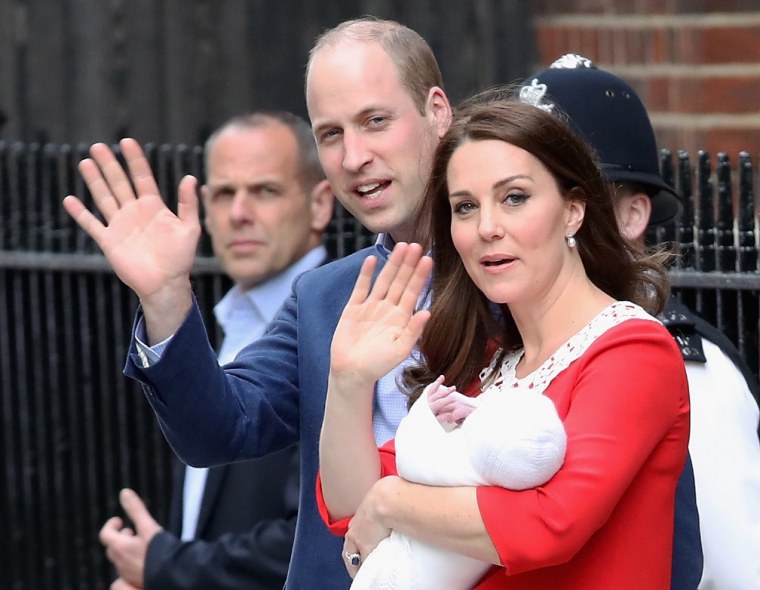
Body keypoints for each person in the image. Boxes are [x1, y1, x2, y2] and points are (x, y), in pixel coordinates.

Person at [62, 16, 453, 590]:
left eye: (375, 121)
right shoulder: (323, 298)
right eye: (330, 134)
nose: (353, 157)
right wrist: (166, 295)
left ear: (437, 111)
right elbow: (218, 430)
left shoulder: (510, 273)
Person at [317, 96, 690, 589]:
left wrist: (390, 503)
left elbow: (549, 526)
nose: (487, 228)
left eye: (514, 197)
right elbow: (349, 506)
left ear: (573, 210)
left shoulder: (633, 351)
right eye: (465, 207)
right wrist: (348, 381)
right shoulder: (489, 367)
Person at [525, 56, 760, 590]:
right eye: (519, 192)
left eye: (569, 195)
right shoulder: (508, 345)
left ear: (633, 215)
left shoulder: (690, 370)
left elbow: (734, 571)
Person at [97, 112, 334, 590]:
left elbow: (324, 534)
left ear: (320, 204)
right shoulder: (224, 321)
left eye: (265, 190)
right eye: (225, 193)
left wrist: (166, 569)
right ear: (204, 205)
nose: (239, 213)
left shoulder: (340, 318)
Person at [348, 375, 567, 589]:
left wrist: (424, 409)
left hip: (405, 570)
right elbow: (502, 431)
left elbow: (408, 457)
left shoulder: (460, 467)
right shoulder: (512, 475)